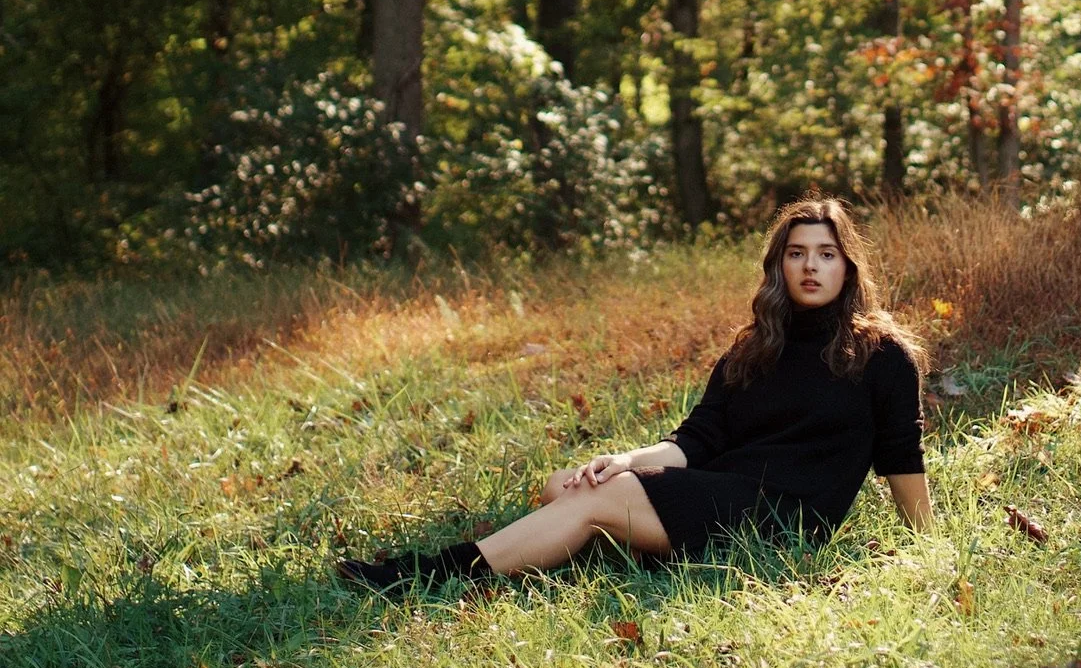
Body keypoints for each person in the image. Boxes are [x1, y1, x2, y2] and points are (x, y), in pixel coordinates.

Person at [340, 197, 933, 594]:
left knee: (599, 500)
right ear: (777, 266)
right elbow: (698, 440)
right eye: (797, 253)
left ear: (847, 268)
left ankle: (435, 574)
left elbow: (901, 457)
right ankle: (567, 561)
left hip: (786, 519)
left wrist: (926, 546)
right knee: (568, 485)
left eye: (826, 255)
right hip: (723, 490)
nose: (811, 266)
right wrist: (625, 461)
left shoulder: (880, 353)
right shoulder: (754, 349)